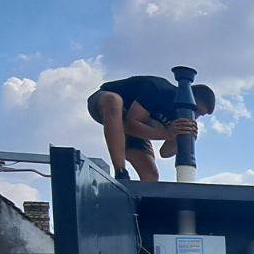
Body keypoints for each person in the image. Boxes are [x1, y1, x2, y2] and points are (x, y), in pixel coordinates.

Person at [85, 74, 214, 181]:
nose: (195, 116)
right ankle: (120, 171)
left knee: (150, 176)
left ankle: (140, 204)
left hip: (136, 125)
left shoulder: (180, 118)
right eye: (196, 110)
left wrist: (183, 138)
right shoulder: (159, 89)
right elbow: (130, 125)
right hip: (103, 102)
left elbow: (165, 152)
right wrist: (166, 134)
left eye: (200, 115)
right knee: (113, 100)